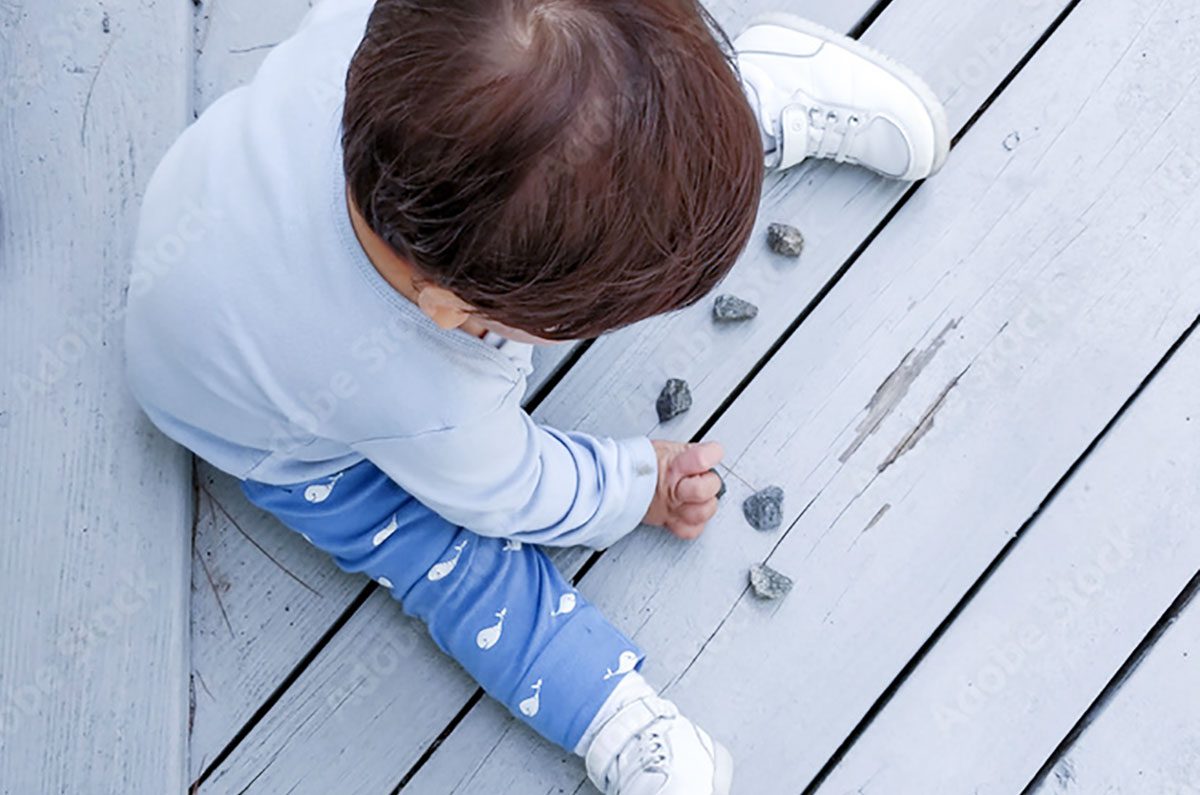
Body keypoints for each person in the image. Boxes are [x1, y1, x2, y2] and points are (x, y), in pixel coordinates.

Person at [124, 1, 948, 792]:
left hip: (207, 217)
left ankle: (744, 99)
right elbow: (513, 493)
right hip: (274, 435)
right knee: (435, 557)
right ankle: (605, 710)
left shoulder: (400, 37)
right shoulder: (429, 394)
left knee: (616, 113)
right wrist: (635, 485)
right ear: (458, 314)